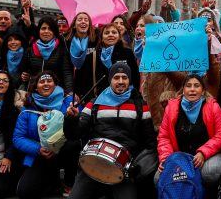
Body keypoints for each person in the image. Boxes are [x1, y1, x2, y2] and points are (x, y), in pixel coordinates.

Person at [64, 62, 156, 199]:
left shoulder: (140, 105)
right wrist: (71, 119)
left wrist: (137, 165)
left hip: (124, 168)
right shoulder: (94, 103)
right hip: (94, 163)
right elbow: (73, 134)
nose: (120, 81)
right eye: (116, 77)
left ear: (129, 80)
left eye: (124, 78)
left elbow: (149, 142)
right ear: (110, 80)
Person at [156, 74, 221, 192]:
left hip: (207, 157)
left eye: (196, 86)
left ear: (203, 91)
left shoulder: (213, 107)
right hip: (180, 158)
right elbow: (164, 137)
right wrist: (167, 159)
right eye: (188, 86)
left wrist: (203, 153)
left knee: (212, 171)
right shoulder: (171, 108)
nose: (192, 89)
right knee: (158, 178)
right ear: (183, 90)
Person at [13, 72, 77, 198]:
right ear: (36, 87)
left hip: (63, 152)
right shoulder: (27, 109)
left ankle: (69, 182)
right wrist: (38, 149)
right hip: (40, 154)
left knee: (73, 145)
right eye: (42, 81)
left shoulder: (69, 102)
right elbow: (18, 138)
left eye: (49, 81)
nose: (46, 83)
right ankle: (52, 181)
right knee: (24, 192)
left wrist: (74, 117)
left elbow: (78, 130)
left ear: (55, 85)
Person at [74, 23, 138, 99]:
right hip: (99, 101)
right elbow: (82, 80)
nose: (110, 35)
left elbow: (135, 77)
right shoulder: (91, 57)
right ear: (101, 37)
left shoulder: (128, 53)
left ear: (119, 36)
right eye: (106, 33)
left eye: (114, 32)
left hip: (124, 99)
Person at [22, 16, 74, 94]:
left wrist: (70, 92)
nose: (46, 31)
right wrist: (23, 75)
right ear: (39, 31)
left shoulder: (61, 47)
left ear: (54, 32)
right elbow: (24, 69)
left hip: (55, 93)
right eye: (43, 28)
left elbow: (66, 72)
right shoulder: (31, 47)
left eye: (50, 29)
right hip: (34, 92)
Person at [65, 12, 96, 79]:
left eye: (86, 20)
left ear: (89, 25)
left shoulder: (96, 40)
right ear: (74, 25)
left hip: (90, 80)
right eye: (80, 19)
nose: (83, 22)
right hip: (72, 80)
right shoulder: (66, 41)